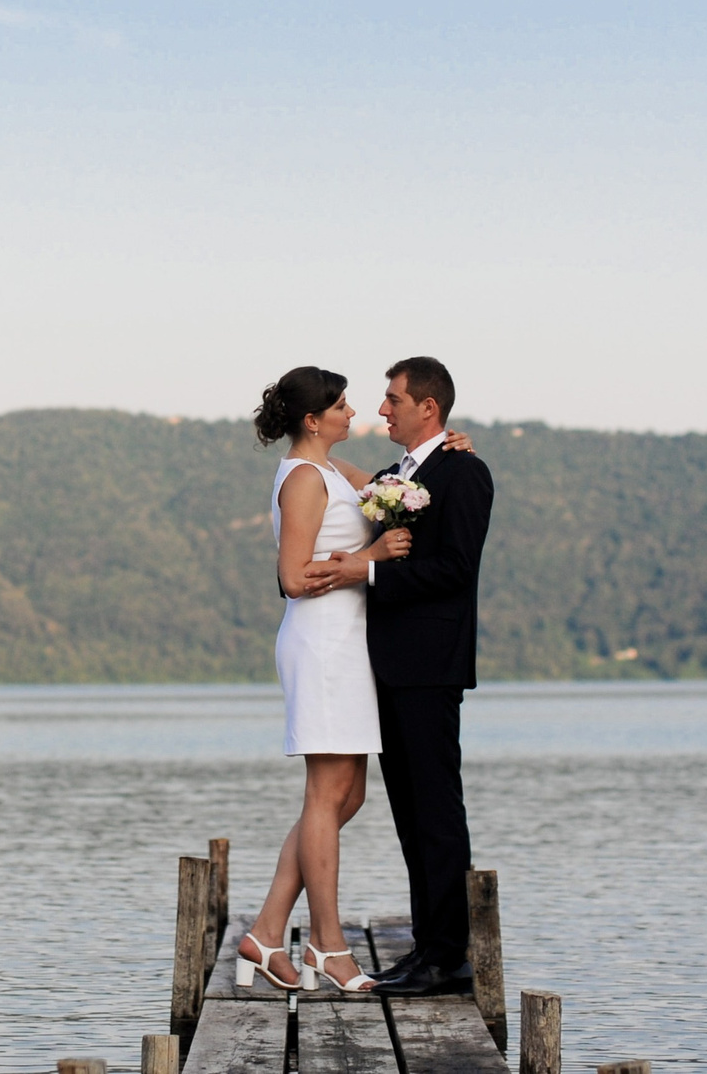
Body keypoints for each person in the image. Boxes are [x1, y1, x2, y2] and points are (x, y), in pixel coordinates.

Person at [234, 365, 472, 995]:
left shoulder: (336, 472)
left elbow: (402, 486)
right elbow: (292, 577)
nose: (357, 412)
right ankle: (328, 946)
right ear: (313, 419)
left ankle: (264, 931)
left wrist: (449, 446)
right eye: (341, 405)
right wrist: (367, 560)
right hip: (321, 644)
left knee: (347, 796)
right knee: (325, 794)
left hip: (350, 645)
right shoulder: (305, 479)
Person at [358, 356, 494, 999]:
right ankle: (426, 948)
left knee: (437, 810)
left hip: (430, 665)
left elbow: (457, 570)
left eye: (392, 399)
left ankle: (449, 958)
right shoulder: (391, 476)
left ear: (427, 408)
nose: (383, 409)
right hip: (385, 667)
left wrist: (372, 573)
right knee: (410, 814)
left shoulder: (464, 472)